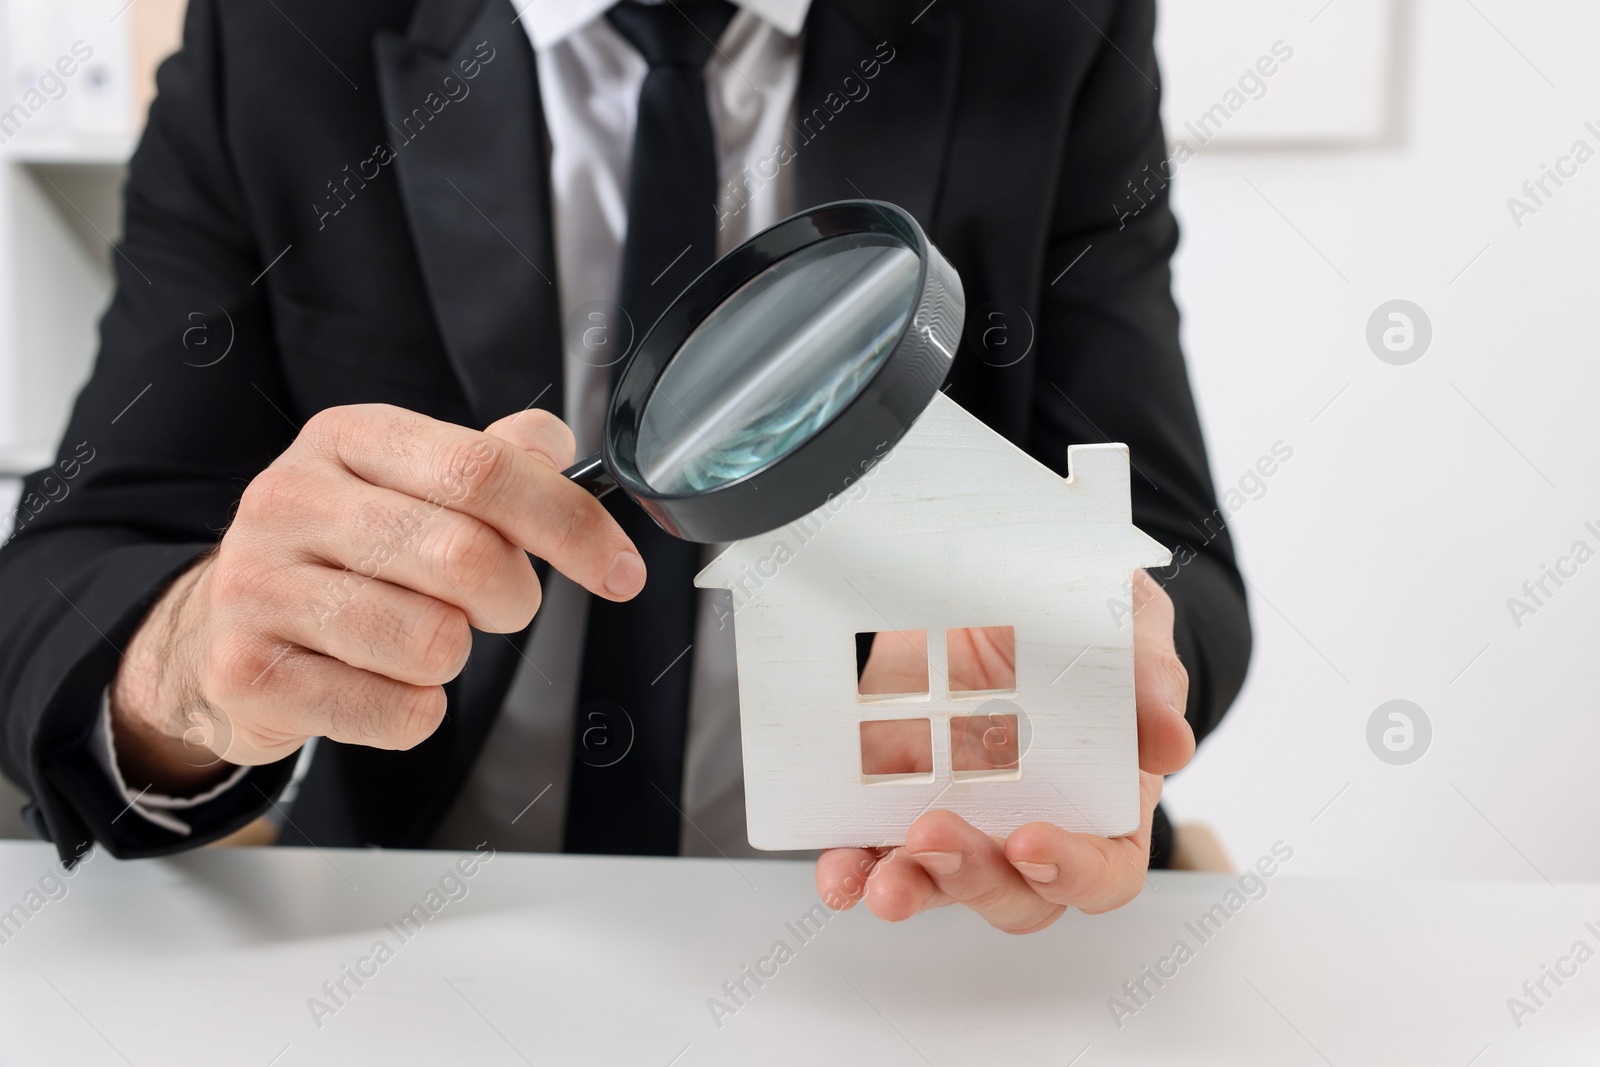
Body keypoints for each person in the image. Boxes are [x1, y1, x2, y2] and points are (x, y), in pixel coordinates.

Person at [0, 0, 1250, 935]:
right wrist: (195, 659)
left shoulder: (1047, 28)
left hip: (876, 922)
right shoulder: (278, 34)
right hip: (410, 926)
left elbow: (1181, 558)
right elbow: (58, 575)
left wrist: (1094, 657)